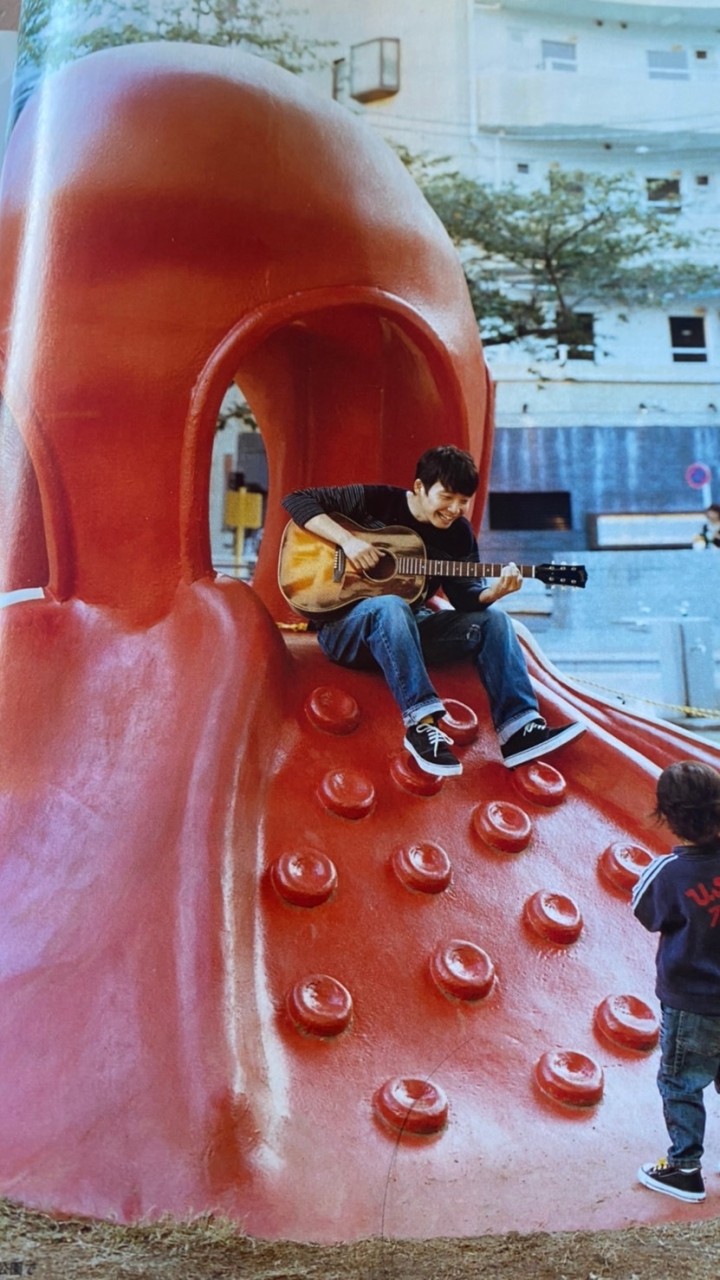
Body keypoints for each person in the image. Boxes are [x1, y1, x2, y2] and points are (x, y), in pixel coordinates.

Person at [282, 445, 584, 776]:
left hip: (407, 630)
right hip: (346, 631)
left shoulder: (458, 534)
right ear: (418, 488)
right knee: (390, 605)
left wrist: (493, 593)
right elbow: (297, 501)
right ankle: (422, 726)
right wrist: (348, 541)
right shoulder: (379, 501)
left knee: (494, 620)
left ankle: (519, 731)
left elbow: (465, 597)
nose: (455, 509)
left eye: (464, 500)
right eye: (447, 497)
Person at [633, 760, 720, 1204]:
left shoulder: (669, 872)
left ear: (665, 815)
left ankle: (685, 1169)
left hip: (691, 1004)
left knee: (681, 1082)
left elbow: (646, 911)